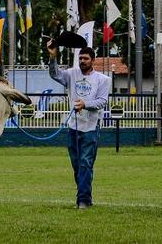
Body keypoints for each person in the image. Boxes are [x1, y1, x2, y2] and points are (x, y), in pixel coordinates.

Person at [47, 42, 111, 209]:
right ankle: (86, 197)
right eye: (80, 58)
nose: (82, 61)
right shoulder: (71, 74)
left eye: (86, 58)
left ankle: (82, 201)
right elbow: (54, 74)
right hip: (73, 126)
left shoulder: (103, 80)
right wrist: (53, 56)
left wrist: (85, 104)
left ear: (93, 60)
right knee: (77, 164)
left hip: (91, 126)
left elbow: (102, 101)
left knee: (85, 163)